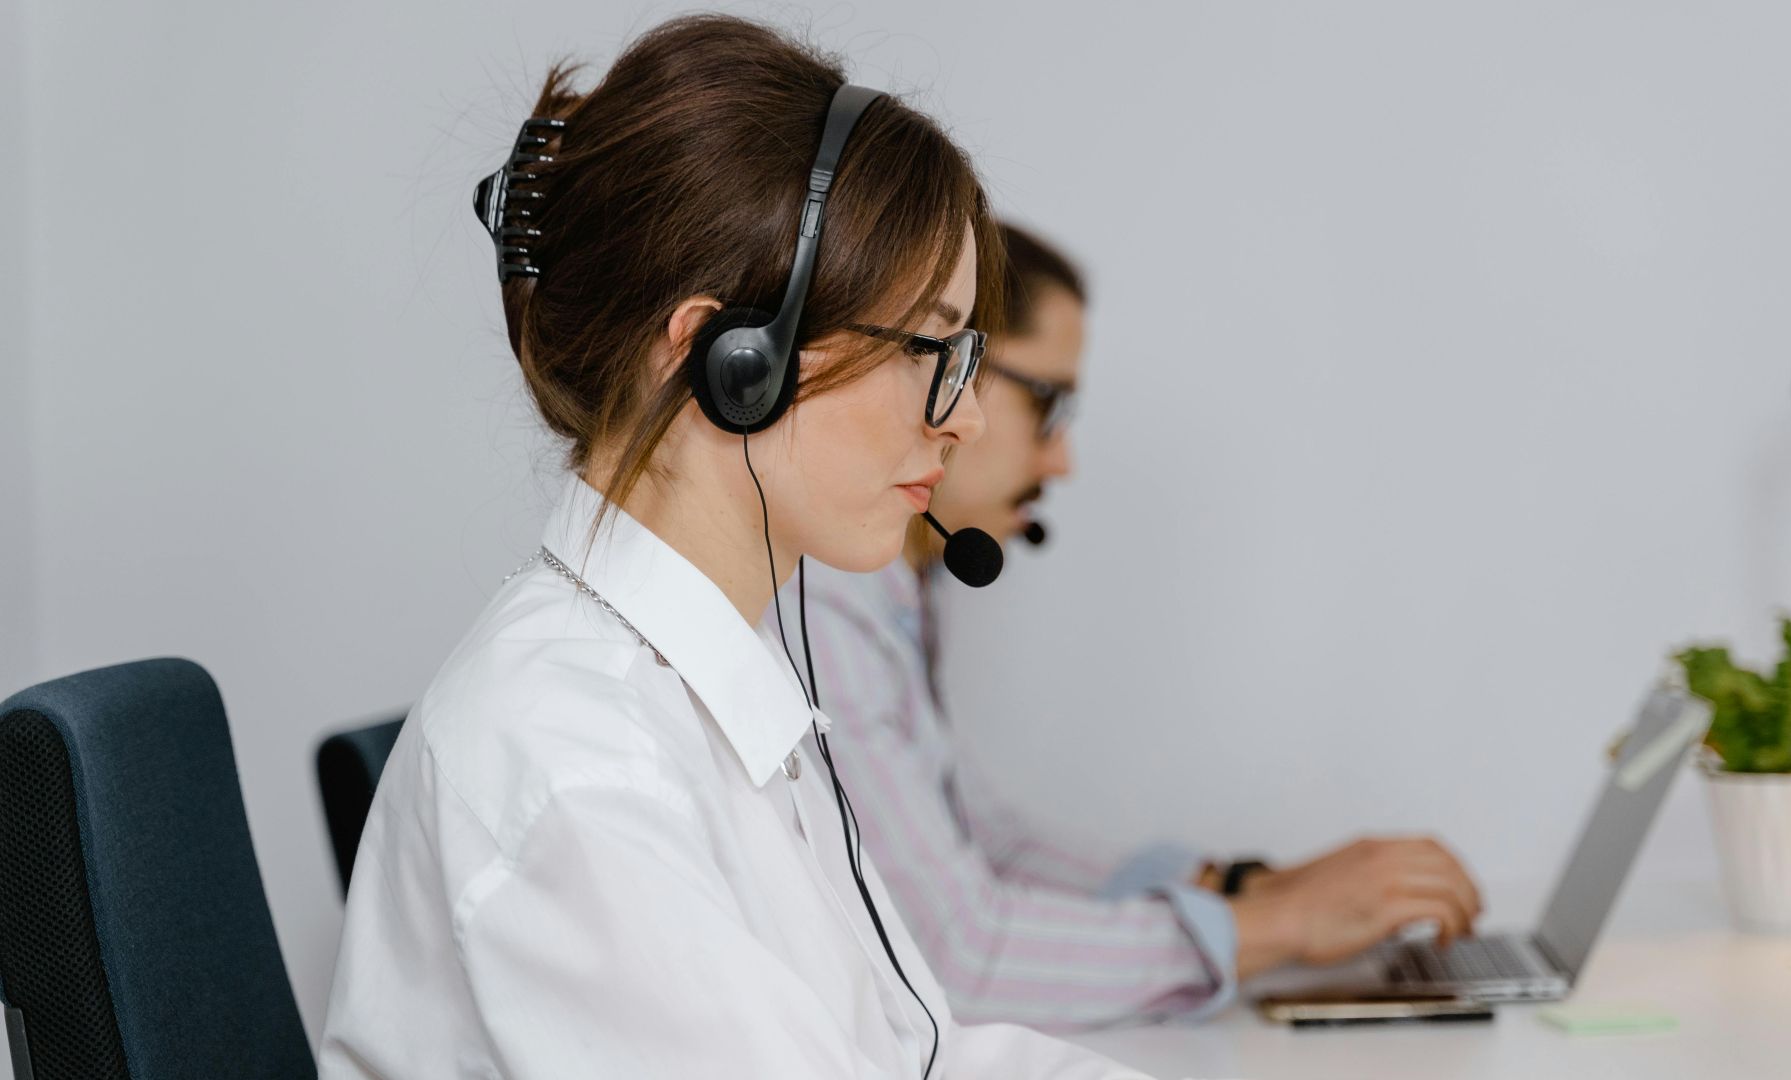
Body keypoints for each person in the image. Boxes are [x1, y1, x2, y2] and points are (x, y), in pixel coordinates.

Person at [319, 18, 1155, 1078]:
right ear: (727, 362)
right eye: (928, 351)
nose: (966, 418)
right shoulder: (585, 769)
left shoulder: (719, 687)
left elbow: (918, 1054)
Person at [782, 224, 1486, 1031]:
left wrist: (1238, 889)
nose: (1061, 461)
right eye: (1046, 403)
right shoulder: (819, 604)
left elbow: (986, 841)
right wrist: (1274, 926)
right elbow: (957, 957)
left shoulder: (887, 595)